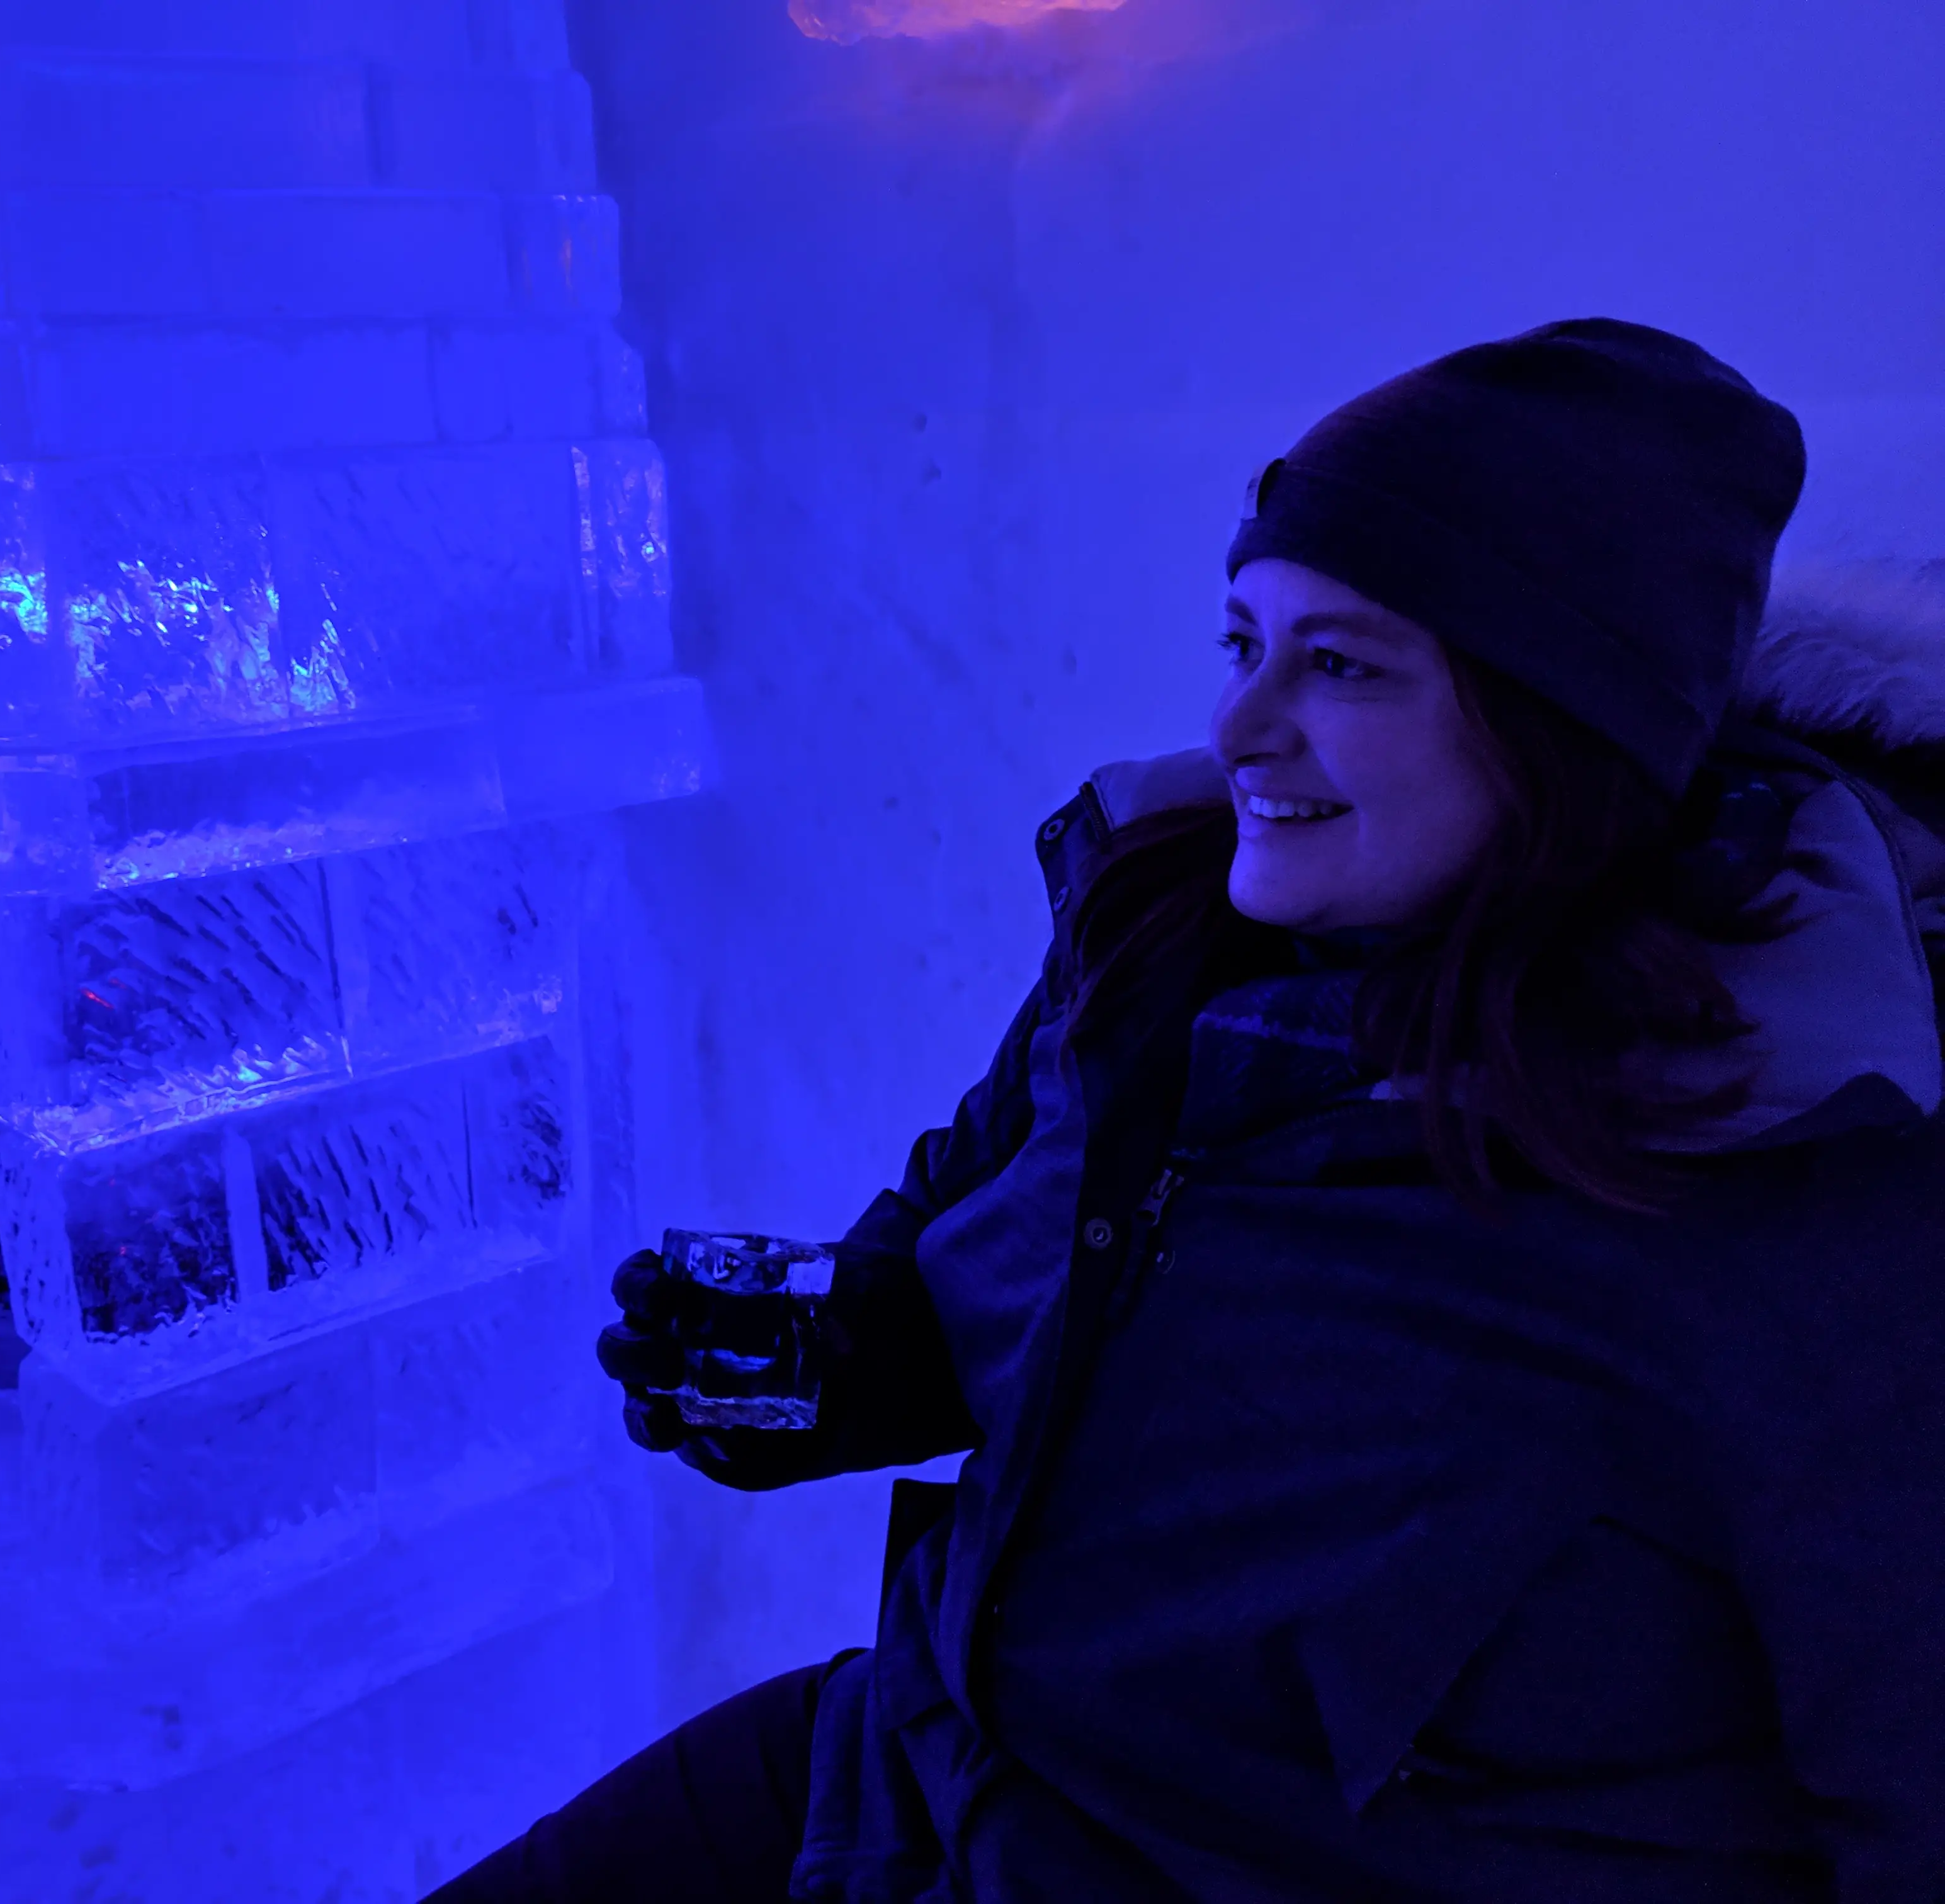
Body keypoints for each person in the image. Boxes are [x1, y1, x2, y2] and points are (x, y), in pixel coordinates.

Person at [429, 319, 1945, 1901]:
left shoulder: (1797, 1176)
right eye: (1245, 642)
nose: (1239, 727)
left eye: (1342, 663)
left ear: (1558, 724)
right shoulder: (1159, 938)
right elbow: (970, 1247)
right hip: (906, 1783)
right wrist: (837, 1359)